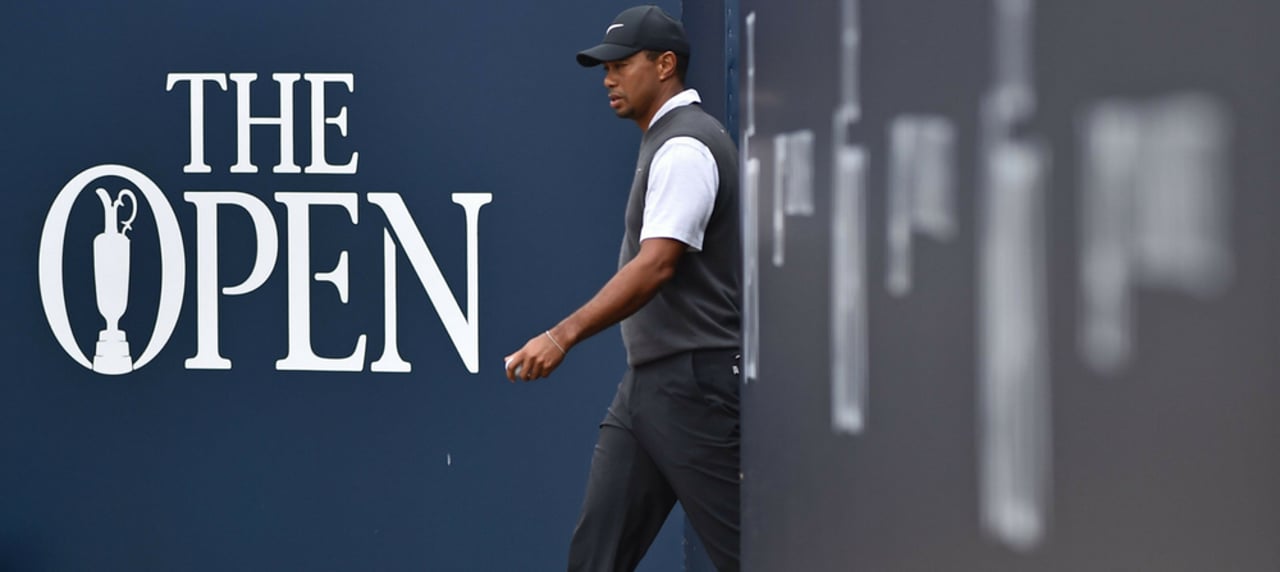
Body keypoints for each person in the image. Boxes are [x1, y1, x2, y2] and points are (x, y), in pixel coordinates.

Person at [502, 5, 742, 570]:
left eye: (621, 64)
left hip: (695, 386)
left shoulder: (685, 147)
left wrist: (562, 336)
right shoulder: (666, 141)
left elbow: (656, 265)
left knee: (747, 555)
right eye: (603, 68)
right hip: (650, 388)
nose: (608, 78)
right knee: (594, 559)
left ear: (664, 65)